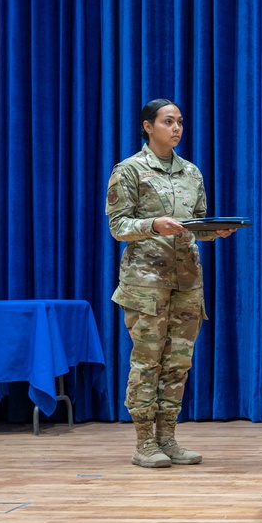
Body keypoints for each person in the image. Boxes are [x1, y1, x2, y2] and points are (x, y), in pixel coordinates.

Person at [106, 98, 236, 468]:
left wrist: (215, 231)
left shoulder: (191, 173)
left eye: (179, 121)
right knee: (148, 361)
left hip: (187, 281)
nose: (176, 128)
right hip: (146, 283)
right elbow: (119, 227)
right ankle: (144, 442)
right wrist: (152, 225)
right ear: (148, 127)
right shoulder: (129, 170)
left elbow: (196, 223)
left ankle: (168, 437)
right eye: (167, 121)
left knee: (178, 363)